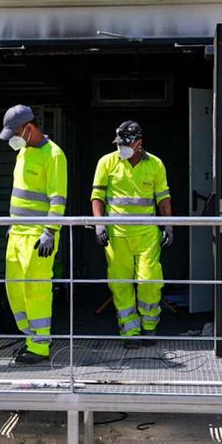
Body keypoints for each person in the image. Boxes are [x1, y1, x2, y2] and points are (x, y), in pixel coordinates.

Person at [92, 121, 174, 347]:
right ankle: (130, 333)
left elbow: (163, 199)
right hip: (117, 235)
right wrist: (99, 224)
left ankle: (149, 328)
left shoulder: (155, 164)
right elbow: (97, 196)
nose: (121, 148)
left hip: (147, 233)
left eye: (126, 144)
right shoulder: (106, 162)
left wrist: (168, 225)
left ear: (139, 143)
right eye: (119, 144)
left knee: (149, 280)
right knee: (120, 283)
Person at [0, 105, 68, 365]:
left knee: (35, 289)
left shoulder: (54, 155)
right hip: (17, 233)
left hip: (39, 235)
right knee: (14, 287)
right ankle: (30, 339)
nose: (12, 140)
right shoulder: (23, 152)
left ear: (28, 129)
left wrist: (50, 231)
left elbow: (57, 198)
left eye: (14, 133)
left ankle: (40, 345)